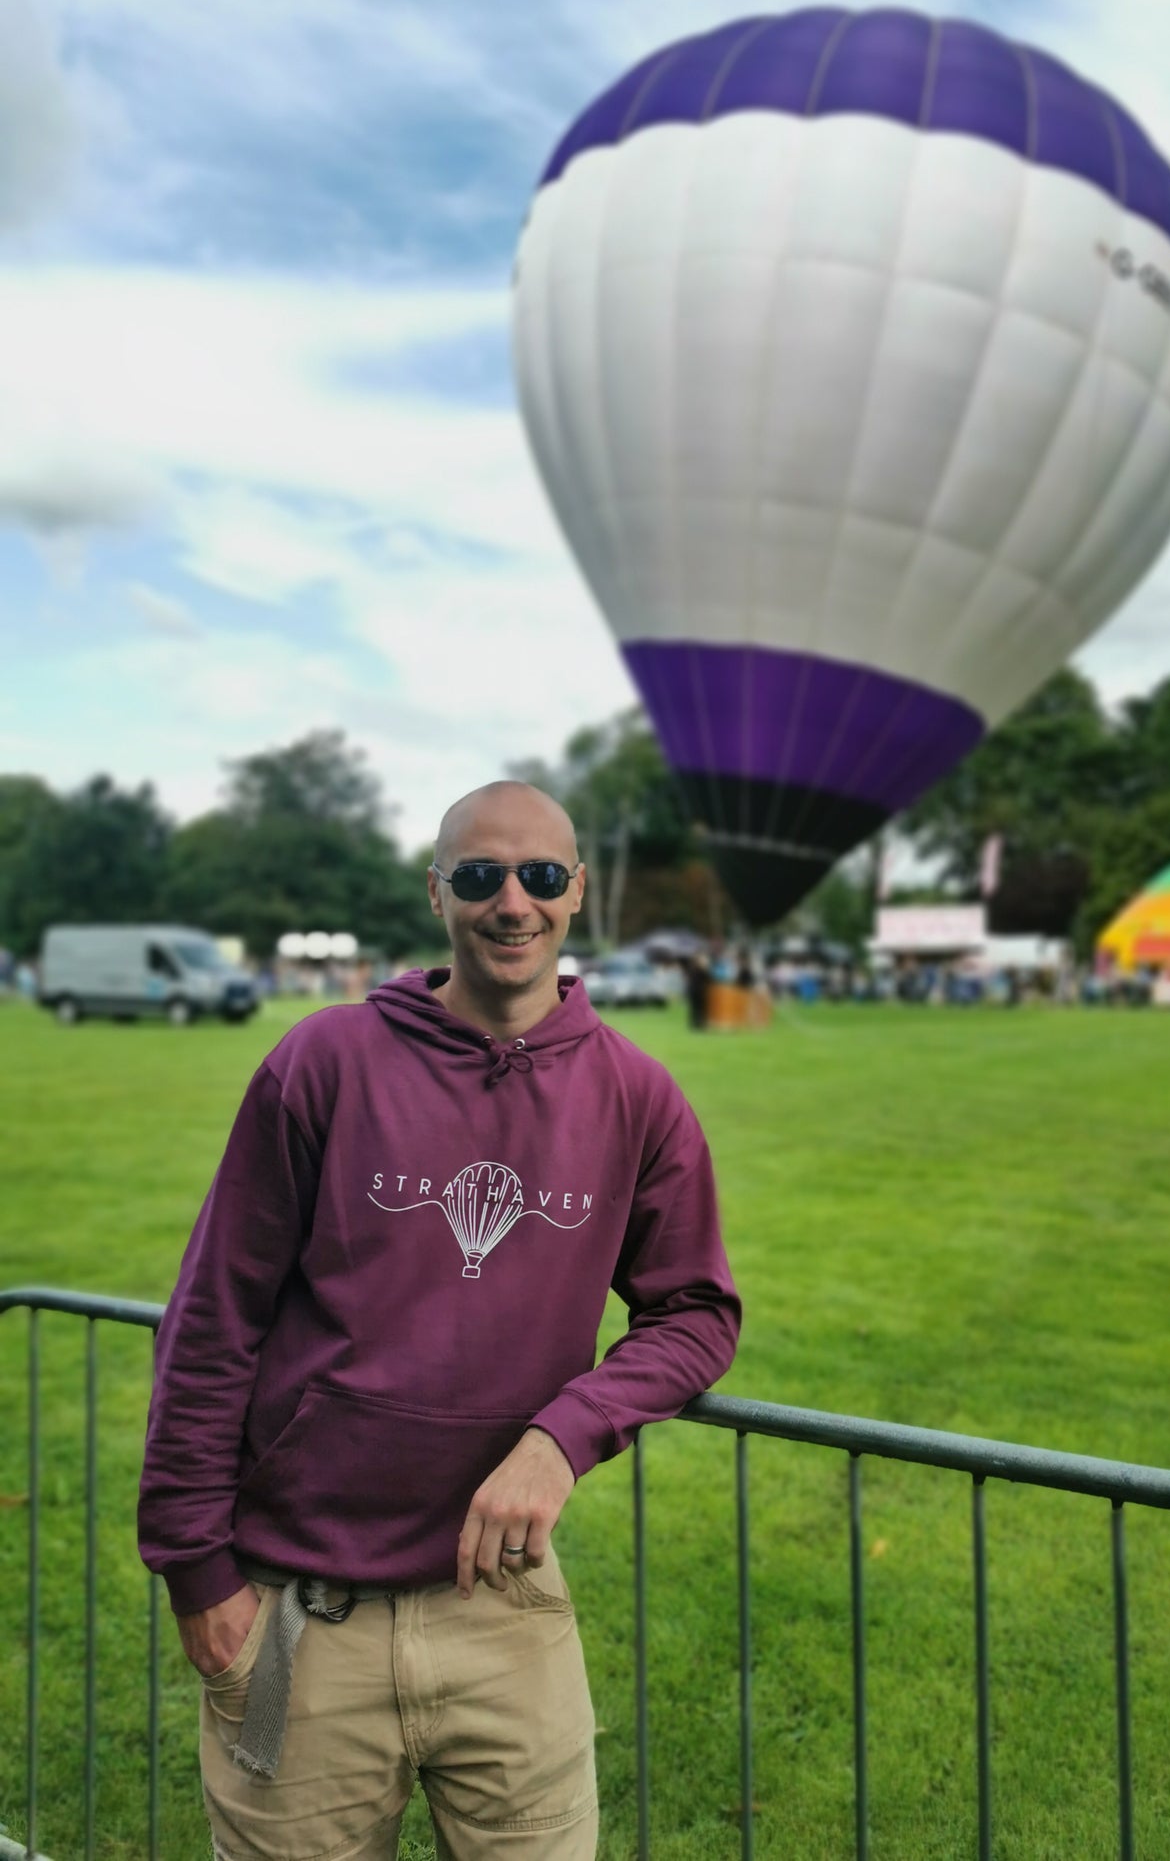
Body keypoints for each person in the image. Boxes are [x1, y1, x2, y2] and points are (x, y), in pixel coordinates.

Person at [138, 781, 741, 1860]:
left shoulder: (637, 1096)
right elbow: (214, 1316)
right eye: (479, 876)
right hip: (294, 1610)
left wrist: (564, 1435)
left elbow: (694, 1311)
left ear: (576, 895)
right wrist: (196, 1565)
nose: (511, 901)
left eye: (540, 876)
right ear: (436, 893)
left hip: (503, 1610)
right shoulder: (322, 1062)